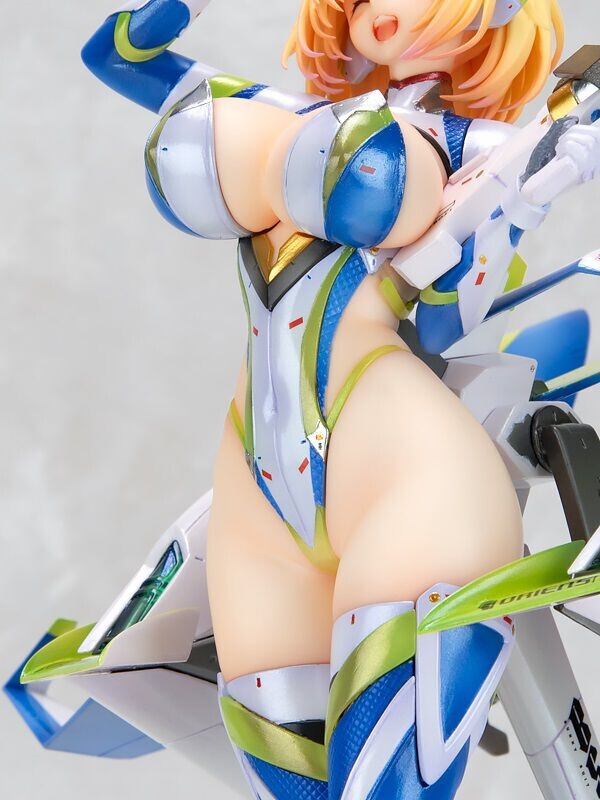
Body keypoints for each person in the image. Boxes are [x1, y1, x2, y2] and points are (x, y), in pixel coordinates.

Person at [81, 2, 596, 797]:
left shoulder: (490, 148)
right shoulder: (281, 111)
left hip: (403, 474)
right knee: (288, 780)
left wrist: (533, 190)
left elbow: (448, 313)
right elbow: (115, 60)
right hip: (260, 493)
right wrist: (154, 20)